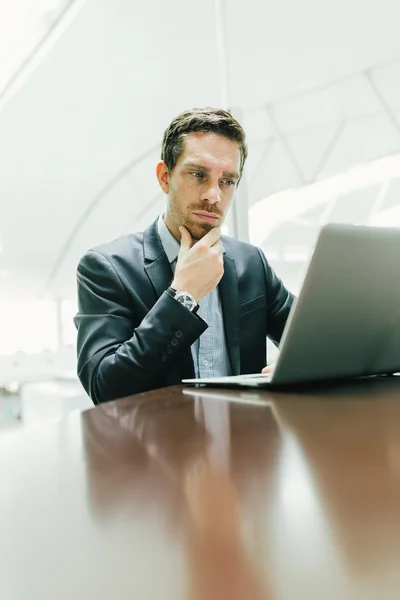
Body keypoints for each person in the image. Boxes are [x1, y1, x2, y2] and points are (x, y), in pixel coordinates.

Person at [75, 108, 294, 404]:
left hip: (247, 444)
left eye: (227, 181)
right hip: (164, 448)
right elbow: (105, 388)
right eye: (198, 175)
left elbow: (314, 338)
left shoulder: (251, 263)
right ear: (165, 177)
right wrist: (183, 295)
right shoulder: (106, 268)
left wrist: (298, 365)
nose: (213, 195)